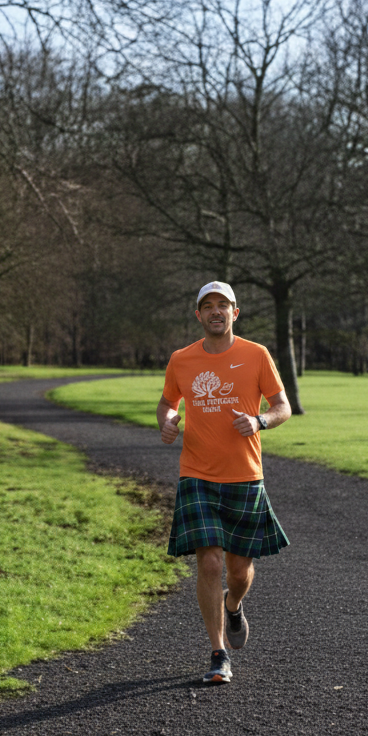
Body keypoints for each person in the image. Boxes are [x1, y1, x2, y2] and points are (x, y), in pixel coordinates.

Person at [157, 280, 292, 684]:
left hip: (244, 476)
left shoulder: (256, 354)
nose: (216, 311)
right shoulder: (181, 359)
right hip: (196, 474)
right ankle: (218, 653)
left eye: (223, 305)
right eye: (208, 306)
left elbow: (282, 406)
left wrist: (260, 420)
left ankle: (233, 605)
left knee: (238, 570)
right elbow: (168, 402)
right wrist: (168, 420)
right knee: (210, 561)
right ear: (198, 314)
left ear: (235, 313)